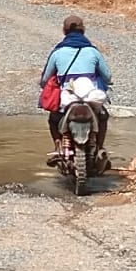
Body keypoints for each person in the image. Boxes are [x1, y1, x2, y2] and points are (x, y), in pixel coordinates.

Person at [39, 15, 112, 164]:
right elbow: (108, 76)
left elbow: (45, 79)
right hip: (90, 98)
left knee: (53, 119)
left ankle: (58, 148)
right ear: (83, 30)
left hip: (68, 99)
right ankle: (99, 148)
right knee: (103, 117)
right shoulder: (93, 52)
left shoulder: (57, 53)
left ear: (64, 31)